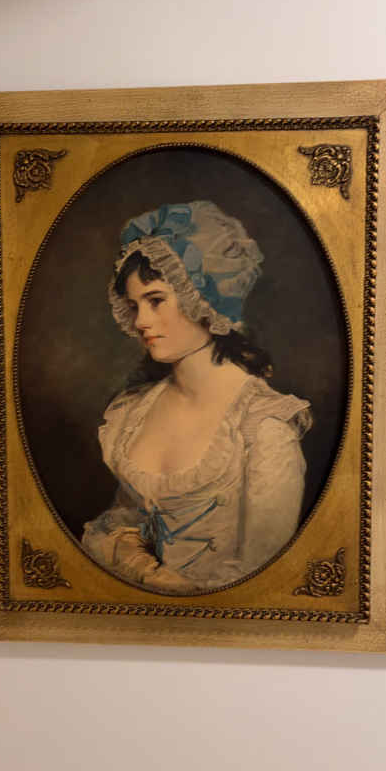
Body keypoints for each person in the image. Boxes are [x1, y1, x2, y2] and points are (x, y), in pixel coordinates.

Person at [81, 200, 312, 594]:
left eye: (156, 301)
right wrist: (144, 569)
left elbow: (263, 576)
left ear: (203, 300)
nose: (141, 321)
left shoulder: (263, 425)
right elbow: (125, 521)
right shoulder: (135, 410)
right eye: (134, 305)